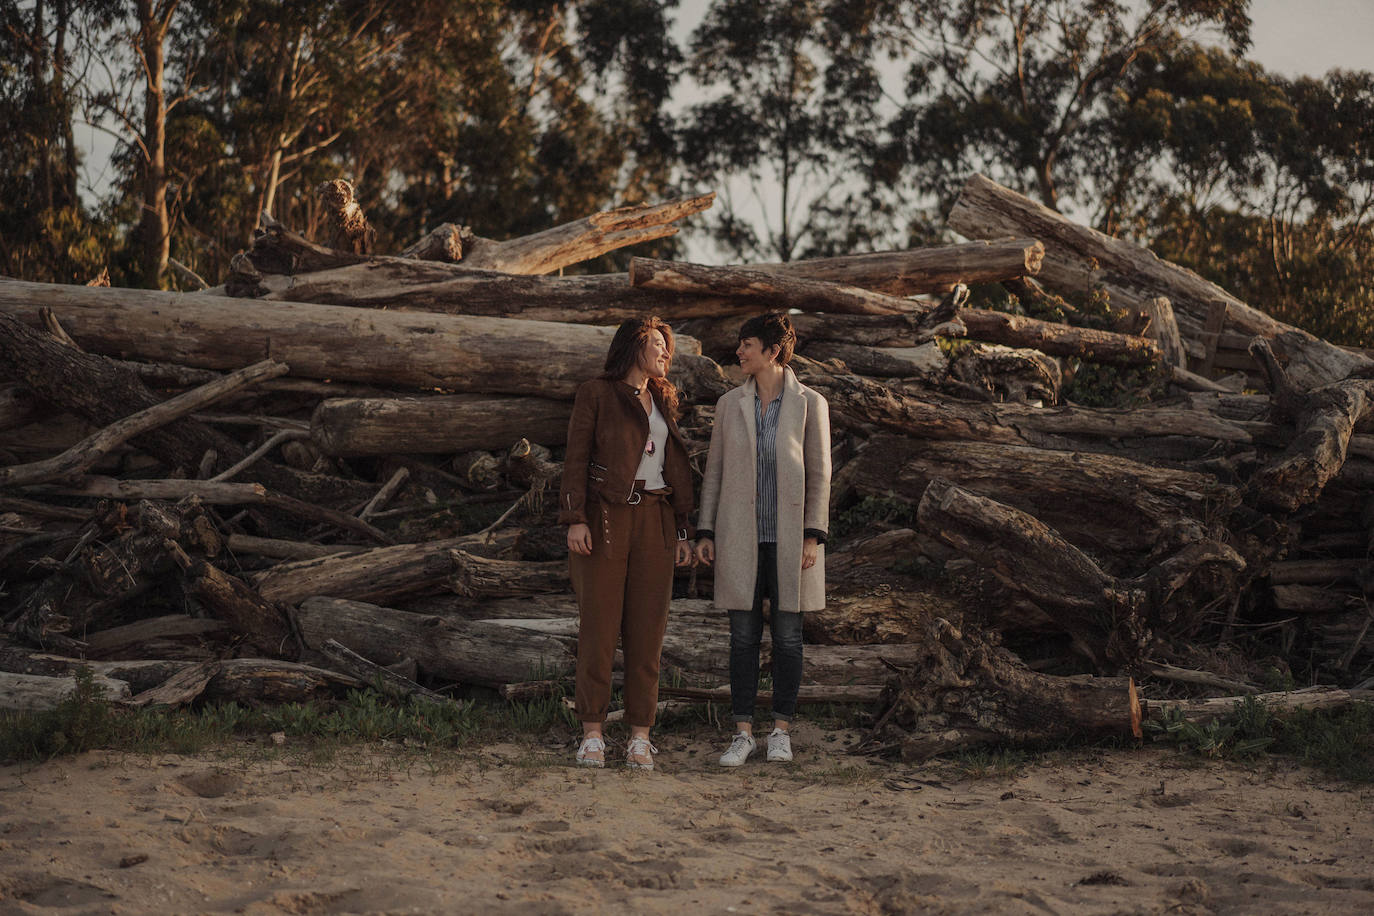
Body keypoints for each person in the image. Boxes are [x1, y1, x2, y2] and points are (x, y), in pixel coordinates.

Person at [558, 316, 695, 770]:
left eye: (666, 345)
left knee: (648, 629)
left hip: (655, 518)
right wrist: (576, 519)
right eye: (656, 343)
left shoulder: (662, 398)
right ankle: (592, 734)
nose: (664, 352)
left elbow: (672, 469)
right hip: (606, 519)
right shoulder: (595, 393)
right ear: (633, 346)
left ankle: (640, 736)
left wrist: (680, 529)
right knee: (598, 627)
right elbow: (576, 457)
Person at [695, 312, 831, 767]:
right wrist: (707, 530)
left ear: (772, 351)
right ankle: (742, 733)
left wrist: (814, 536)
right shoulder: (729, 405)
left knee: (790, 638)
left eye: (747, 344)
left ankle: (781, 731)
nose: (739, 351)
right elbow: (713, 472)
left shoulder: (812, 403)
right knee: (742, 637)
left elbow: (820, 474)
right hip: (740, 538)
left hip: (793, 540)